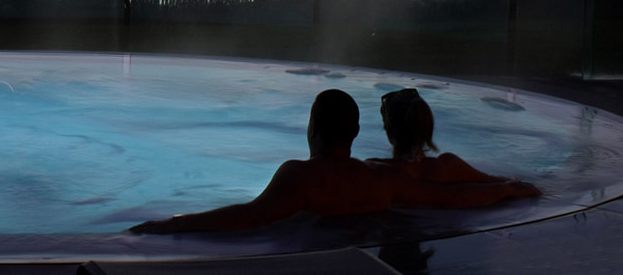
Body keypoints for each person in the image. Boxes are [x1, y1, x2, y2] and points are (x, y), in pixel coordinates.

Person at [129, 89, 539, 234]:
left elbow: (251, 217)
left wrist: (175, 223)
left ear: (313, 130)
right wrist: (505, 188)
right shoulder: (378, 179)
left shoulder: (301, 176)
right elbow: (446, 199)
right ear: (356, 134)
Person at [370, 88, 508, 183]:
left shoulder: (376, 173)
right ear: (427, 126)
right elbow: (507, 183)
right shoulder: (449, 167)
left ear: (387, 129)